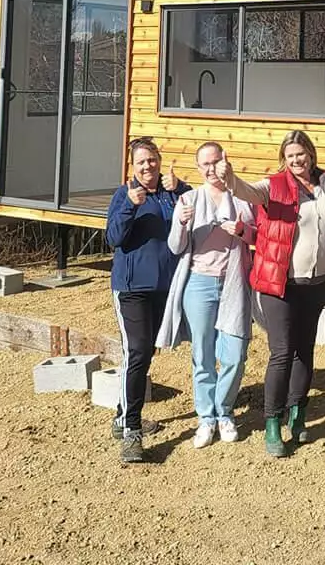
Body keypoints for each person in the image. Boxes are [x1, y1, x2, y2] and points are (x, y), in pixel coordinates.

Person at [217, 130, 325, 457]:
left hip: (316, 283)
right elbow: (248, 191)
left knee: (305, 350)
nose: (296, 160)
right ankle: (273, 422)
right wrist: (230, 177)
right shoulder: (273, 186)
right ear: (284, 159)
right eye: (290, 156)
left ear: (311, 154)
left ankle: (298, 413)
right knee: (282, 352)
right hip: (280, 284)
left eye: (301, 154)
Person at [156, 141, 256, 448]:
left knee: (235, 354)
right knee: (203, 354)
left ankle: (225, 411)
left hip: (233, 283)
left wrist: (240, 230)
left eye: (216, 162)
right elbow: (175, 246)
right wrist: (182, 222)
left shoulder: (241, 198)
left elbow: (256, 236)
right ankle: (206, 418)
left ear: (226, 161)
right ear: (198, 168)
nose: (212, 169)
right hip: (198, 283)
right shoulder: (189, 199)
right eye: (205, 165)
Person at [105, 136, 191, 464]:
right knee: (136, 352)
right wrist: (130, 204)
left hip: (163, 288)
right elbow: (113, 237)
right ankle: (131, 432)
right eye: (141, 162)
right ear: (133, 166)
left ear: (159, 160)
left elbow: (193, 212)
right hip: (131, 288)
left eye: (151, 160)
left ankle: (121, 416)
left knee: (144, 354)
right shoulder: (123, 195)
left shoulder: (172, 193)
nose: (147, 166)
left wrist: (181, 186)